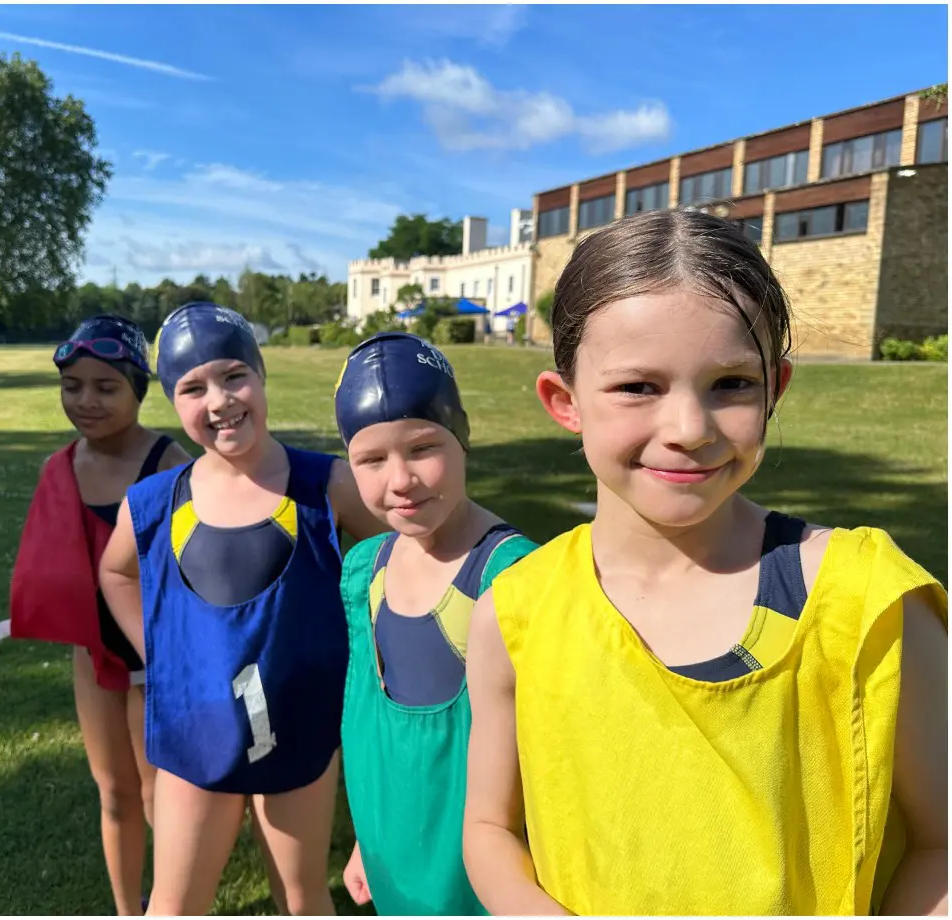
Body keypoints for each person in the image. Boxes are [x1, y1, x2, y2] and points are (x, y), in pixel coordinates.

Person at [462, 208, 948, 916]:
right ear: (564, 402)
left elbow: (940, 844)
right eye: (638, 387)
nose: (689, 429)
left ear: (776, 387)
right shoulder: (515, 614)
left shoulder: (869, 603)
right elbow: (489, 828)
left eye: (732, 384)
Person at [98, 302, 387, 916]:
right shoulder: (155, 502)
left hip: (298, 726)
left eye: (234, 376)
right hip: (196, 730)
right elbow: (115, 571)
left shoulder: (324, 487)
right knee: (174, 905)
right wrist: (162, 654)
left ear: (261, 374)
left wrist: (374, 653)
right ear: (172, 401)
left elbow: (403, 556)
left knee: (301, 897)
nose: (220, 401)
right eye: (193, 388)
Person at [332, 332, 538, 915]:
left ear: (462, 436)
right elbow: (375, 733)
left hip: (486, 882)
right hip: (393, 859)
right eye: (372, 460)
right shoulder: (365, 571)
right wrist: (365, 839)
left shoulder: (514, 578)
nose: (400, 479)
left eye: (422, 448)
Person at [0, 314, 190, 915]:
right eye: (71, 386)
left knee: (159, 795)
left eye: (106, 387)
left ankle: (176, 904)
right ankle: (128, 909)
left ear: (139, 390)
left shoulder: (170, 465)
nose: (86, 401)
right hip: (95, 658)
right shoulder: (58, 469)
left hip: (159, 659)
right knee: (114, 793)